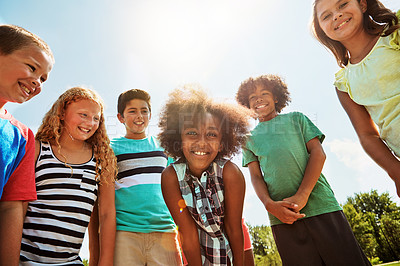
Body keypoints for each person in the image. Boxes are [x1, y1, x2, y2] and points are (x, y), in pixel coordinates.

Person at [236, 74, 371, 265]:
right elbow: (256, 177)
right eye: (252, 97)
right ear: (246, 105)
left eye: (264, 93)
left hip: (321, 207)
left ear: (276, 97)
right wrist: (269, 205)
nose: (258, 98)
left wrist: (303, 194)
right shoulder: (248, 139)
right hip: (282, 218)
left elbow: (318, 153)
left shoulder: (296, 119)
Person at [311, 0, 400, 197]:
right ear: (322, 30)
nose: (336, 15)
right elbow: (368, 136)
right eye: (326, 16)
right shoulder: (344, 83)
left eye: (343, 4)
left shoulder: (394, 34)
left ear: (362, 4)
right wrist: (396, 171)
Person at [19, 87, 116, 265]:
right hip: (25, 258)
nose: (90, 122)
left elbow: (107, 214)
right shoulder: (38, 149)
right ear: (62, 113)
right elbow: (20, 205)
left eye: (96, 118)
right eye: (83, 114)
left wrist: (105, 262)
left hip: (70, 261)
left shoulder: (102, 160)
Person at [159, 86, 250, 266]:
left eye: (211, 134)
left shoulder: (230, 173)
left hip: (234, 249)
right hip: (196, 255)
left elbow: (233, 228)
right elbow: (188, 232)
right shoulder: (170, 177)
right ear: (179, 139)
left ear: (222, 143)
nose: (201, 142)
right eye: (192, 133)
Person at [0, 24, 54, 266]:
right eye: (32, 67)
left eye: (43, 78)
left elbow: (10, 208)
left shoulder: (22, 136)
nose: (38, 83)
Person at [111, 89, 182, 266]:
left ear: (150, 115)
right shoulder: (111, 147)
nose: (139, 116)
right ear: (120, 117)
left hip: (164, 231)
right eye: (132, 111)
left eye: (144, 111)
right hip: (125, 232)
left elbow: (176, 186)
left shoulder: (163, 146)